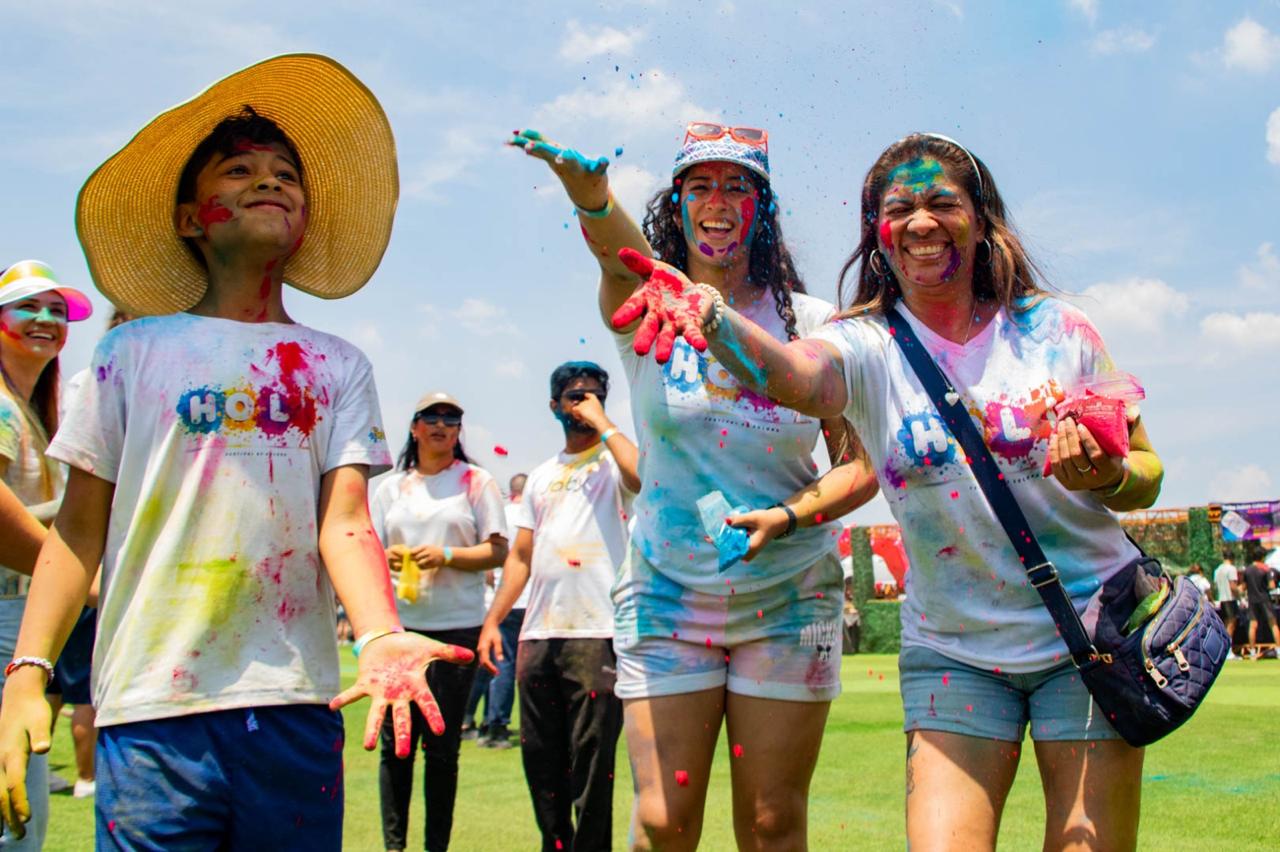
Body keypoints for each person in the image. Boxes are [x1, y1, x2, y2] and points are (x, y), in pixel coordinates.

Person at [618, 133, 1167, 850]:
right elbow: (798, 377)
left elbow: (1147, 476)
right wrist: (717, 321)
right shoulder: (863, 343)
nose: (920, 222)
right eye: (900, 207)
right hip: (956, 651)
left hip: (1088, 634)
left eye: (942, 202)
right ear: (877, 231)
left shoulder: (1058, 331)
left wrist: (1110, 474)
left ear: (982, 218)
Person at [0, 56, 474, 848]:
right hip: (152, 708)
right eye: (240, 169)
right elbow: (80, 531)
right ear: (192, 217)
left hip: (293, 702)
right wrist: (27, 673)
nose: (271, 180)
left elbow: (346, 522)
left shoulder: (336, 364)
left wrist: (381, 631)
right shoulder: (130, 354)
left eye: (287, 173)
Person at [511, 124, 880, 849]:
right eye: (700, 184)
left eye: (737, 185)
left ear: (762, 207)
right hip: (666, 595)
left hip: (787, 596)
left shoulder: (812, 325)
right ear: (676, 203)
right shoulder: (650, 302)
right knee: (661, 821)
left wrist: (791, 514)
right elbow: (619, 257)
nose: (718, 200)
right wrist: (592, 200)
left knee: (772, 824)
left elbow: (862, 465)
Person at [479, 361, 639, 851]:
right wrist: (493, 620)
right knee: (541, 761)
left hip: (597, 632)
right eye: (574, 396)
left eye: (594, 394)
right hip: (538, 632)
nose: (584, 402)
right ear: (554, 405)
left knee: (592, 763)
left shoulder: (615, 463)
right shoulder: (542, 477)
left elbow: (644, 474)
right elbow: (521, 557)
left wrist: (605, 425)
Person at [370, 391, 508, 852]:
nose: (441, 424)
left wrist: (446, 555)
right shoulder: (390, 487)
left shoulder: (476, 481)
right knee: (397, 745)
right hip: (400, 631)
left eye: (451, 419)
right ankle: (395, 845)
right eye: (431, 416)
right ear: (414, 428)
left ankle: (436, 847)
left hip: (456, 630)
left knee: (442, 750)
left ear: (458, 432)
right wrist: (384, 557)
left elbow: (498, 550)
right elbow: (366, 550)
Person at [0, 259, 93, 847]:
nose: (44, 318)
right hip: (7, 613)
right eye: (28, 307)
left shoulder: (37, 408)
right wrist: (80, 579)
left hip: (24, 612)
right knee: (17, 810)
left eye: (57, 311)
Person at [476, 471, 531, 749]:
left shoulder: (503, 513)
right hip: (528, 599)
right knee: (512, 666)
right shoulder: (532, 512)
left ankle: (489, 721)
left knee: (500, 664)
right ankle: (498, 724)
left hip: (503, 598)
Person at [1242, 545, 1278, 652]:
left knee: (1253, 625)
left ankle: (1252, 651)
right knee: (1273, 624)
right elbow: (1272, 585)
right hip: (1264, 599)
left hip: (1252, 599)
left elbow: (1244, 586)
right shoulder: (1265, 569)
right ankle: (1279, 650)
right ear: (1263, 557)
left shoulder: (1247, 570)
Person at [1214, 554, 1241, 655]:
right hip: (1230, 599)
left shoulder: (1217, 569)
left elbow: (1216, 585)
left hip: (1222, 598)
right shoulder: (1231, 569)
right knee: (1231, 624)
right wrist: (1239, 597)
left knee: (1226, 624)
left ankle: (1224, 649)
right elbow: (1233, 586)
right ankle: (1228, 650)